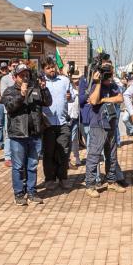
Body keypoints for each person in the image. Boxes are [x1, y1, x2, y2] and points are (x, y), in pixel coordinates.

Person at [2, 64, 51, 205]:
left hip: (34, 134)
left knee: (32, 165)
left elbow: (48, 102)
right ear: (14, 77)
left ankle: (32, 192)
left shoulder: (35, 89)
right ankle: (19, 194)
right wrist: (21, 95)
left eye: (27, 75)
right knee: (18, 166)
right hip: (18, 134)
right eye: (21, 75)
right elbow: (10, 107)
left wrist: (44, 88)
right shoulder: (9, 91)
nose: (25, 77)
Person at [82, 62, 127, 198]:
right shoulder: (95, 85)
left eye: (110, 73)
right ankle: (90, 185)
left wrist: (105, 99)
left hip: (111, 124)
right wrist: (99, 82)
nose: (109, 76)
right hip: (98, 125)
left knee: (112, 155)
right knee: (94, 155)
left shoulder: (113, 86)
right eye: (107, 73)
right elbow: (94, 101)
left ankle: (111, 181)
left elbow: (120, 98)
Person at [40, 57, 73, 190]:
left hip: (63, 122)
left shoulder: (64, 80)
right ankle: (49, 179)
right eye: (48, 68)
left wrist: (71, 97)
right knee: (49, 153)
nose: (51, 69)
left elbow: (73, 96)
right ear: (43, 69)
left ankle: (63, 178)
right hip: (47, 124)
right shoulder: (41, 83)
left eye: (52, 66)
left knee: (64, 151)